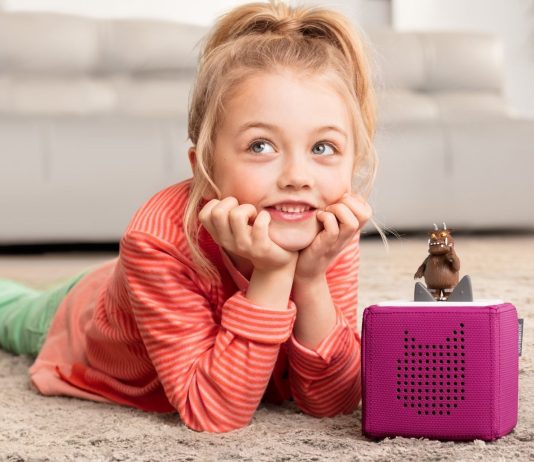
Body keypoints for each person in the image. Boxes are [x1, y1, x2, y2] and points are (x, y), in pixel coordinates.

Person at [0, 0, 380, 433]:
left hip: (141, 283)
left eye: (323, 148)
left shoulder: (327, 228)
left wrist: (310, 281)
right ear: (204, 165)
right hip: (88, 314)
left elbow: (333, 402)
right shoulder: (155, 240)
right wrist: (273, 272)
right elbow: (213, 413)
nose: (298, 177)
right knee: (10, 310)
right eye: (261, 146)